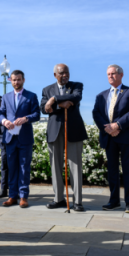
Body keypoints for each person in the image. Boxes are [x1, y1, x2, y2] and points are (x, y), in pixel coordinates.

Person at [92, 64, 129, 213]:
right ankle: (114, 201)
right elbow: (96, 113)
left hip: (127, 137)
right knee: (112, 171)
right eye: (108, 74)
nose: (110, 76)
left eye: (113, 73)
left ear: (121, 74)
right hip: (109, 138)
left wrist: (117, 125)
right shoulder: (101, 95)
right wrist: (107, 128)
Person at [41, 64, 88, 211]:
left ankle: (77, 202)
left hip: (73, 130)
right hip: (55, 132)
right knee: (55, 166)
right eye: (61, 73)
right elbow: (43, 108)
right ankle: (58, 199)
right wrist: (59, 104)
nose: (65, 75)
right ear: (55, 75)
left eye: (67, 72)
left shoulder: (76, 85)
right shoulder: (46, 89)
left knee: (75, 166)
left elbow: (75, 97)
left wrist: (54, 99)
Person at [0, 70, 40, 208]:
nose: (16, 82)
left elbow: (37, 114)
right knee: (11, 168)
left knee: (24, 168)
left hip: (25, 138)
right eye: (14, 80)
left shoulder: (31, 96)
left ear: (23, 80)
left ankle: (23, 196)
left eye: (19, 79)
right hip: (9, 137)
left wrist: (26, 118)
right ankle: (12, 196)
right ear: (10, 80)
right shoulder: (5, 97)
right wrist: (4, 121)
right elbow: (1, 114)